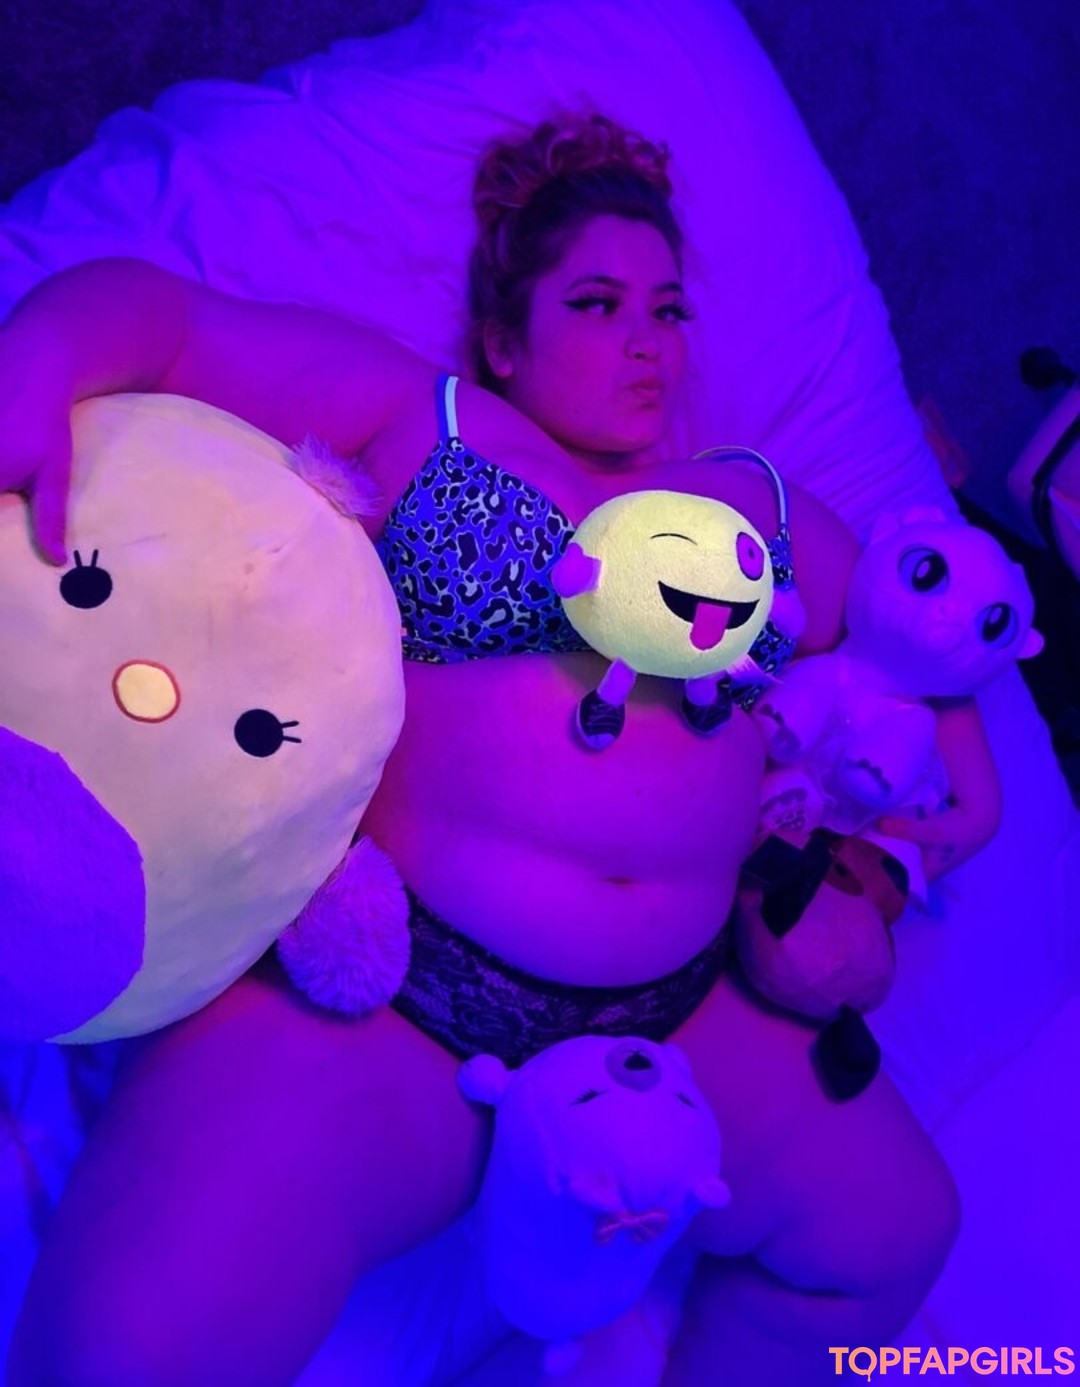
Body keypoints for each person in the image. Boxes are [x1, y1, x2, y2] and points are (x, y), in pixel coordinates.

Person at [1, 115, 997, 1387]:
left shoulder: (756, 502)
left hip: (685, 1020)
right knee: (121, 1351)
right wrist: (34, 363)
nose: (647, 339)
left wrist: (969, 792)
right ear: (503, 338)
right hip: (395, 995)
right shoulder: (424, 418)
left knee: (897, 1232)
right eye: (597, 303)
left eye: (669, 310)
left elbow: (922, 638)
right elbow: (164, 321)